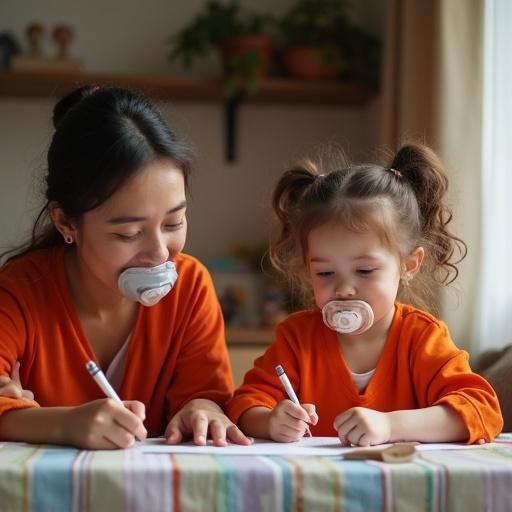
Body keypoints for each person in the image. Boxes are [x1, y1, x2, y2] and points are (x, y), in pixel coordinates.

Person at [0, 85, 250, 449]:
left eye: (173, 223)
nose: (160, 252)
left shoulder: (191, 285)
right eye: (129, 233)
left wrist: (203, 409)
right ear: (66, 222)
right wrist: (60, 424)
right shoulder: (22, 290)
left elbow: (205, 396)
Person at [227, 144, 503, 446]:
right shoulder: (297, 338)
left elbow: (481, 410)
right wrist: (270, 421)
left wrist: (391, 425)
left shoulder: (422, 338)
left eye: (365, 271)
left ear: (408, 265)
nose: (344, 289)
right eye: (325, 273)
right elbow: (243, 405)